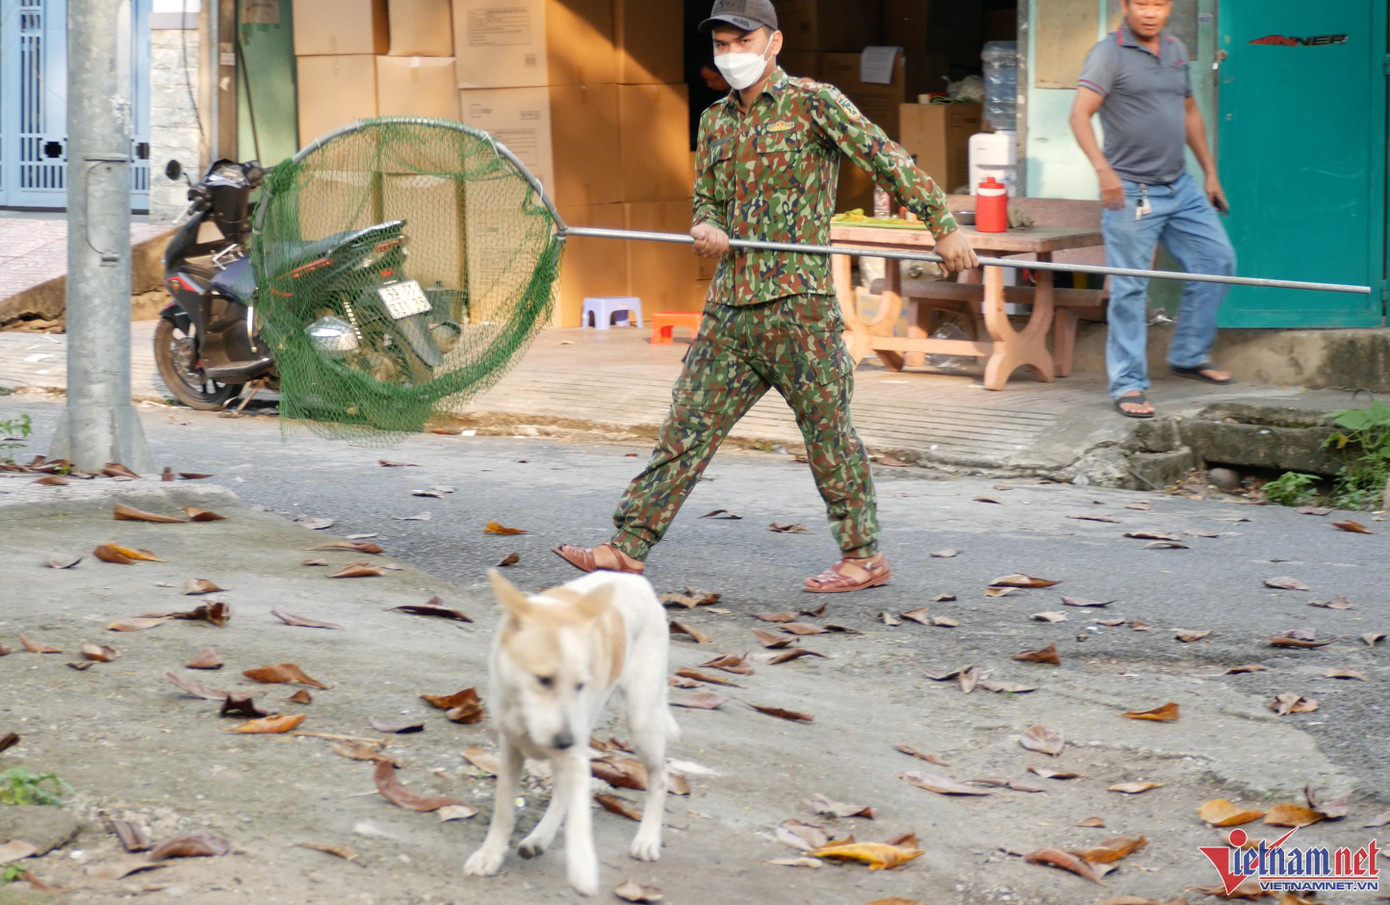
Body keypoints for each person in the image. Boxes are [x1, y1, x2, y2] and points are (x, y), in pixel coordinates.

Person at [554, 0, 976, 592]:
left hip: (797, 306)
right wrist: (705, 229)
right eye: (721, 46)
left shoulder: (814, 103)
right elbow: (706, 201)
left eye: (740, 42)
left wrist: (942, 224)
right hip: (731, 309)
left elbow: (885, 158)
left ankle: (863, 557)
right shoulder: (714, 122)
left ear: (773, 43)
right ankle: (628, 546)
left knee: (828, 433)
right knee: (687, 425)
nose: (730, 56)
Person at [1069, 0, 1237, 419]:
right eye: (1141, 3)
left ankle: (1188, 353)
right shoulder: (1108, 54)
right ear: (1125, 6)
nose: (1150, 12)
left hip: (1180, 186)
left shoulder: (1177, 50)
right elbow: (1079, 116)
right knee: (1130, 287)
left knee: (1217, 259)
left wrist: (1210, 173)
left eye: (1159, 3)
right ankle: (1127, 385)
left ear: (1170, 8)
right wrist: (1103, 172)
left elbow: (1189, 112)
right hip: (1130, 190)